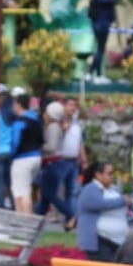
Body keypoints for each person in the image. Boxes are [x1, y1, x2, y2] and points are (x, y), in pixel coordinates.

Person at [76, 161, 130, 261]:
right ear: (98, 175)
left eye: (113, 173)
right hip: (100, 242)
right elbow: (99, 203)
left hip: (117, 242)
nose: (112, 176)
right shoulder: (90, 189)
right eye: (109, 173)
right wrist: (122, 200)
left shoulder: (113, 190)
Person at [36, 101, 73, 225]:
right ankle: (38, 216)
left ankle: (70, 215)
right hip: (53, 163)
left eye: (47, 112)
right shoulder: (56, 126)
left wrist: (38, 146)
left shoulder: (53, 127)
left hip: (52, 163)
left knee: (51, 195)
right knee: (46, 196)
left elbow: (51, 147)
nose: (44, 114)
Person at [9, 91, 43, 214]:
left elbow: (15, 143)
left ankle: (24, 220)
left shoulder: (20, 122)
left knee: (21, 191)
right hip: (36, 157)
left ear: (18, 104)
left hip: (22, 159)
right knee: (26, 188)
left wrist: (11, 155)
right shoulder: (37, 120)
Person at [60, 96, 86, 228]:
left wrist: (84, 159)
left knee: (74, 190)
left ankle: (72, 218)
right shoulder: (59, 122)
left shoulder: (77, 124)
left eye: (74, 105)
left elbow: (80, 142)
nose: (72, 108)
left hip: (74, 161)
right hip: (61, 161)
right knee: (59, 191)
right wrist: (63, 128)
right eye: (69, 104)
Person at [87, 0, 117, 82]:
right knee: (100, 49)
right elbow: (111, 0)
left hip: (97, 25)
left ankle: (92, 73)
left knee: (99, 49)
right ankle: (97, 75)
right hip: (102, 25)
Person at [0, 84, 16, 209]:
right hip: (11, 151)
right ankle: (13, 206)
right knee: (10, 182)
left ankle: (0, 207)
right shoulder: (11, 112)